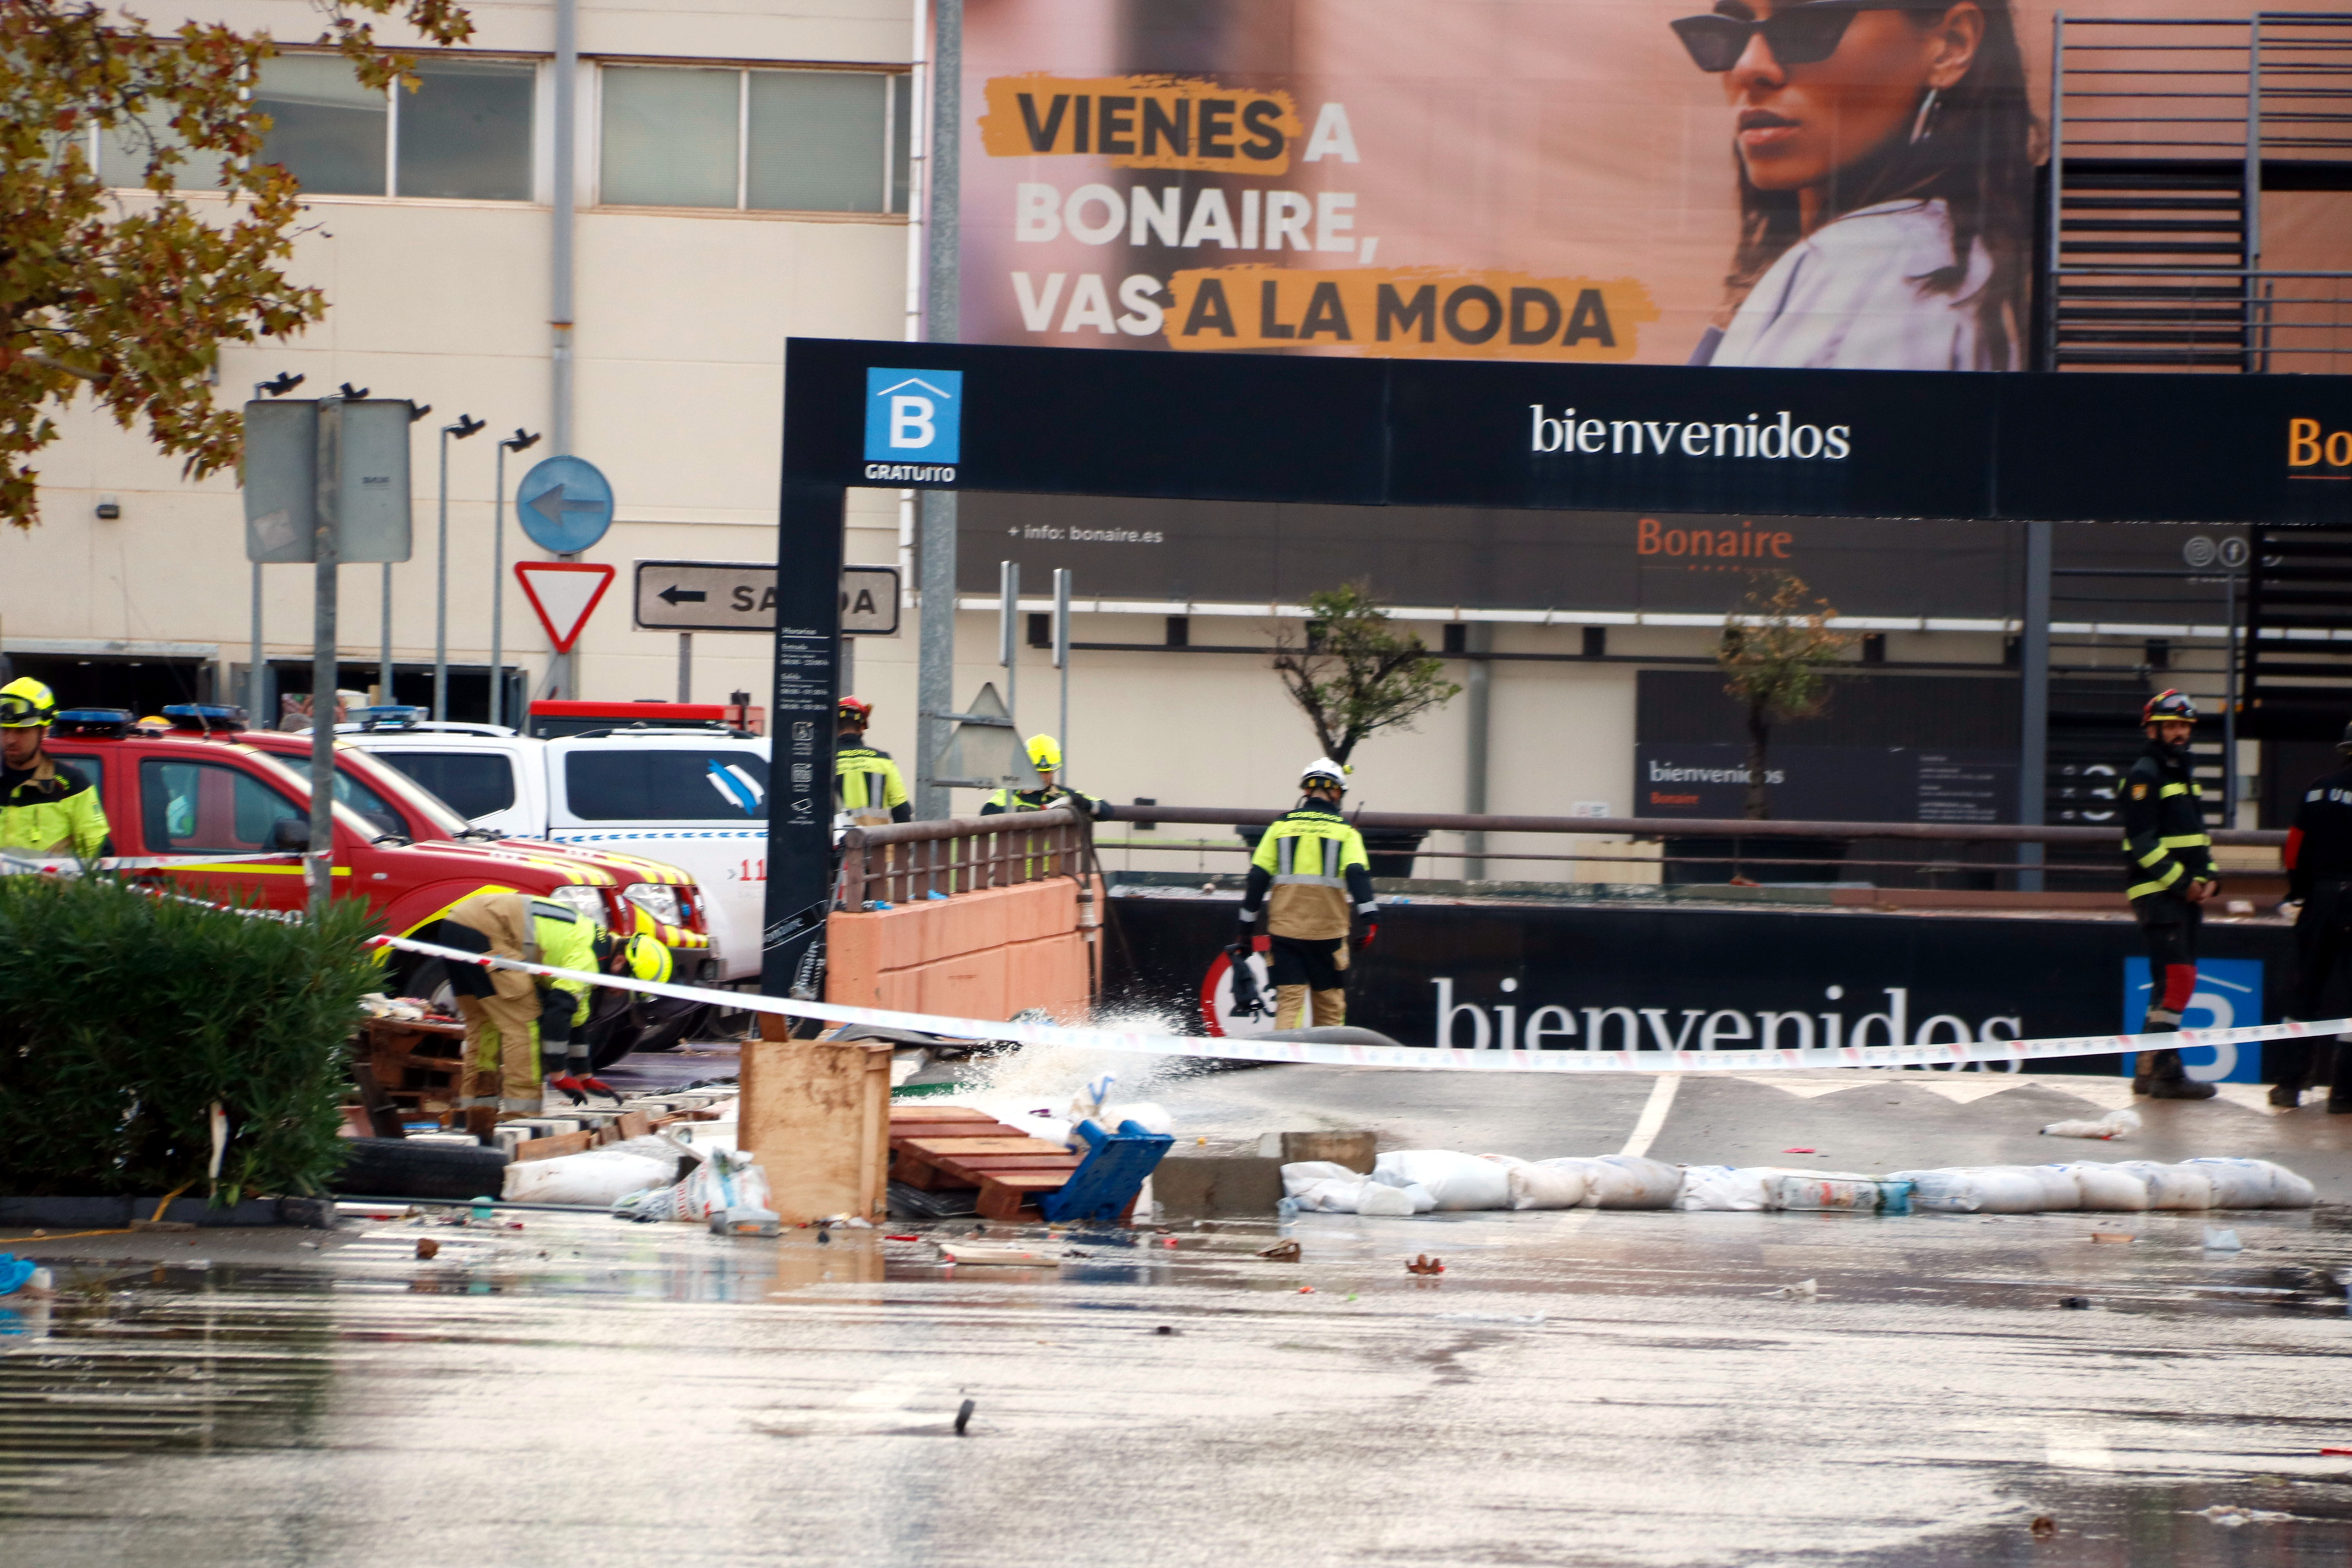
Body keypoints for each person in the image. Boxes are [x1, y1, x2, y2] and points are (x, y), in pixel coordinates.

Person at [1674, 0, 2033, 371]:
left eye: (1808, 24)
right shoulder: (1935, 254)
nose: (1747, 66)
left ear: (1950, 46)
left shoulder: (1879, 264)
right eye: (1727, 31)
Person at [428, 891, 674, 1133]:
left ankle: (475, 1116)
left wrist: (583, 1075)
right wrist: (557, 1074)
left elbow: (575, 1020)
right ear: (621, 962)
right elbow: (558, 1012)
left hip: (458, 923)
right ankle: (521, 1119)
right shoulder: (587, 959)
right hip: (488, 931)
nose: (621, 994)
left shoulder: (593, 946)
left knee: (486, 1030)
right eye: (626, 986)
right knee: (525, 1026)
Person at [2119, 689, 2218, 1100]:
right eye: (2172, 726)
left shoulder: (2181, 773)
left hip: (2182, 895)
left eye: (2184, 726)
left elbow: (2195, 838)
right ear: (2153, 728)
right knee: (2179, 978)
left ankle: (2148, 1070)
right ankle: (2166, 1072)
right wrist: (2184, 883)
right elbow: (2142, 841)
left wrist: (2210, 874)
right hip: (2158, 893)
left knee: (2168, 983)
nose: (2180, 734)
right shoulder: (2145, 775)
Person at [1236, 758, 1379, 1030]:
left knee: (1290, 1005)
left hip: (1286, 934)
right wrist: (1371, 919)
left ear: (1306, 791)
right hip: (1329, 936)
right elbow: (1357, 873)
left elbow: (1257, 877)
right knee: (1330, 1011)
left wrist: (1245, 930)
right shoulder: (1345, 832)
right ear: (1336, 793)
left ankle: (1284, 1068)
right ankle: (1327, 1071)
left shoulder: (1280, 827)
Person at [2274, 722, 2352, 1111]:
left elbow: (2293, 850)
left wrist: (2299, 892)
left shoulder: (2318, 788)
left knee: (2304, 990)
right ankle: (2344, 1094)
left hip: (2317, 899)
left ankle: (2289, 1084)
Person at [1, 677, 111, 860]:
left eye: (21, 731)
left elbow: (98, 854)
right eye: (4, 730)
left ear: (43, 731)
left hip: (52, 890)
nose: (10, 740)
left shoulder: (71, 785)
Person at [834, 696, 911, 825]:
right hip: (878, 842)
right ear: (861, 729)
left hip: (835, 843)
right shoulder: (883, 760)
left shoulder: (825, 763)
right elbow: (902, 809)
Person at [980, 736, 1101, 817]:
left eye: (1047, 772)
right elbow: (987, 813)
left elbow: (1107, 811)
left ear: (1054, 771)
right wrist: (1026, 811)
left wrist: (1085, 803)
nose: (1043, 778)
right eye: (1038, 772)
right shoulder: (1010, 794)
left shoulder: (1063, 795)